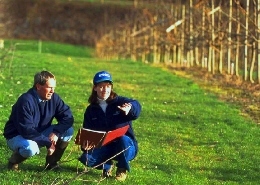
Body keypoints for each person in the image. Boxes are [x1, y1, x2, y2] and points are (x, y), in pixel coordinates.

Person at [3, 70, 74, 171]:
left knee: (68, 130)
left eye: (54, 87)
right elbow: (27, 130)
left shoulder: (54, 98)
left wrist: (56, 132)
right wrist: (48, 143)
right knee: (31, 148)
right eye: (49, 87)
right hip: (18, 135)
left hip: (38, 132)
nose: (52, 91)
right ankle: (13, 161)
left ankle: (51, 164)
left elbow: (68, 117)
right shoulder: (25, 101)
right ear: (38, 86)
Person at [78, 70, 142, 181]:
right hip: (105, 147)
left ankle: (122, 168)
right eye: (101, 86)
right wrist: (85, 146)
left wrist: (130, 109)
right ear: (95, 88)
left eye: (108, 86)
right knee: (86, 159)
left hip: (126, 146)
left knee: (123, 140)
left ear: (111, 87)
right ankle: (107, 165)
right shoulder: (91, 110)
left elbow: (137, 106)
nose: (105, 90)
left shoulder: (120, 102)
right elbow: (87, 134)